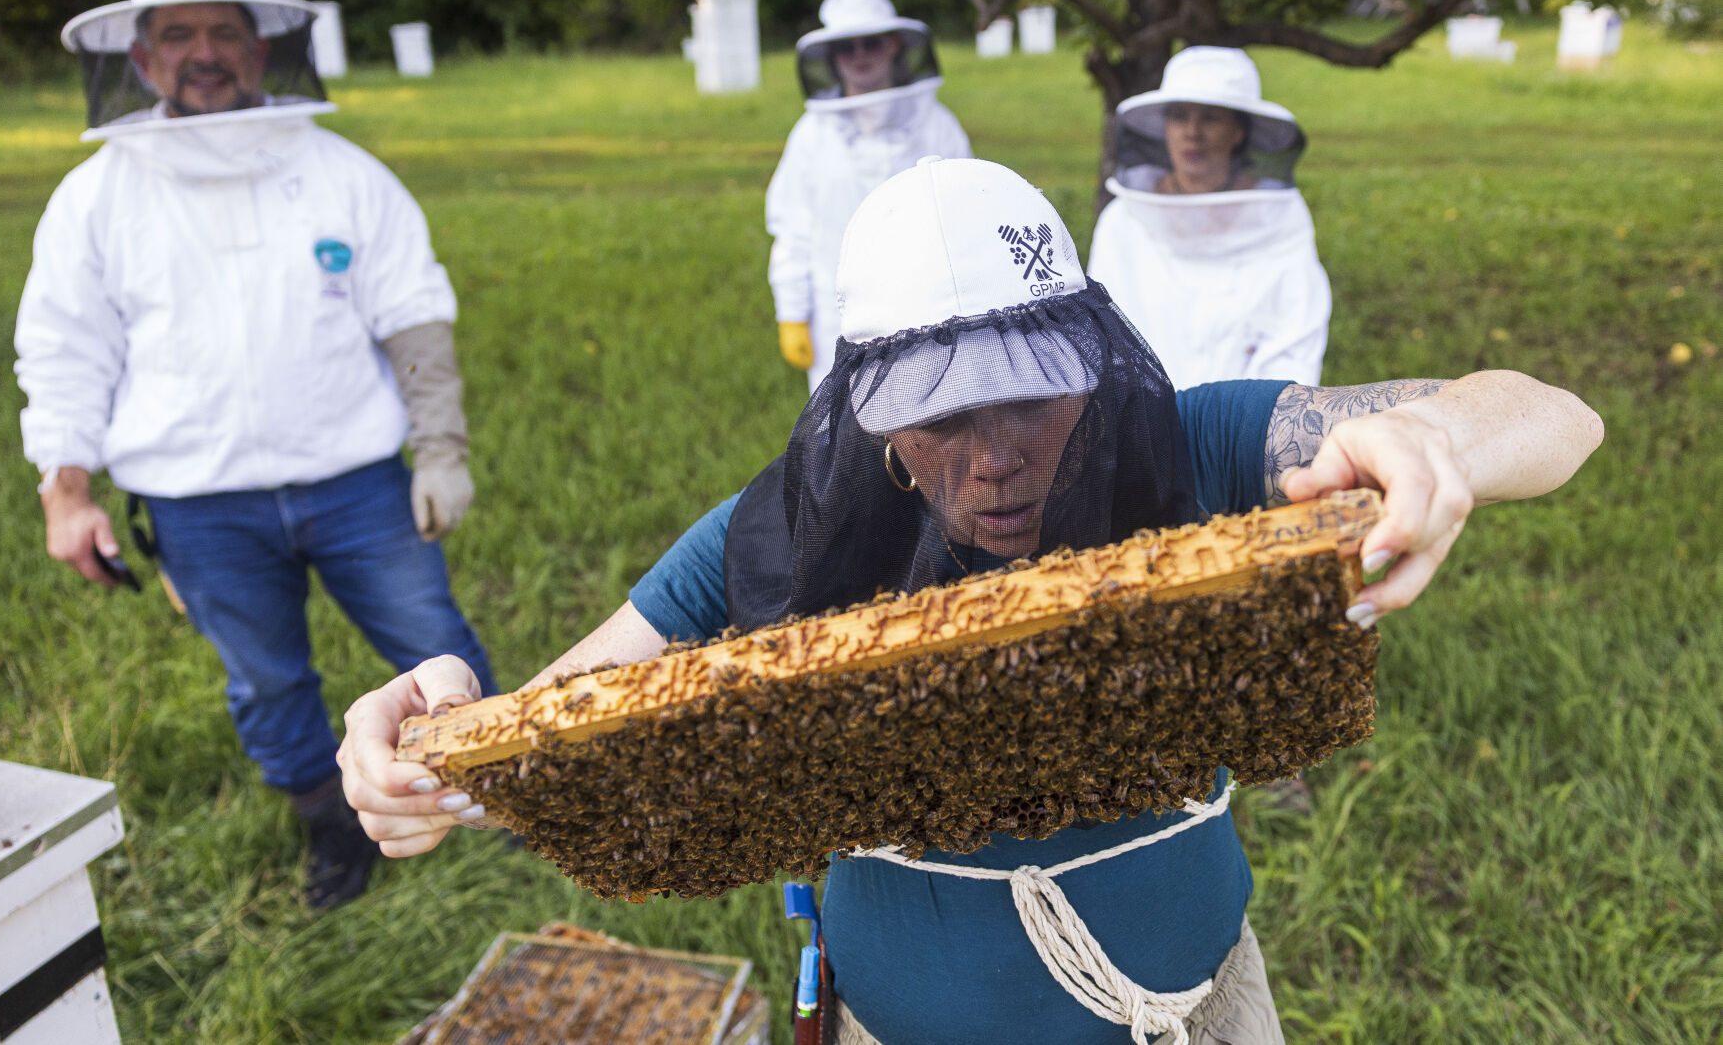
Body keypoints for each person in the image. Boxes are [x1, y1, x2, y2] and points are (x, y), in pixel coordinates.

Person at [339, 159, 1602, 1042]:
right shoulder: (768, 538)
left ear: (1091, 367)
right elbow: (540, 726)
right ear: (875, 415)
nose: (994, 455)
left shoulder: (1200, 450)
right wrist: (427, 741)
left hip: (1194, 1014)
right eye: (944, 414)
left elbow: (1551, 415)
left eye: (1032, 398)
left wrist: (1436, 435)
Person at [14, 0, 500, 910]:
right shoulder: (95, 197)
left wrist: (440, 446)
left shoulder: (342, 173)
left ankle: (492, 790)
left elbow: (413, 314)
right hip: (196, 504)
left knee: (432, 638)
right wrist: (65, 492)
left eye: (224, 32)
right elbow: (65, 347)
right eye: (180, 36)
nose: (205, 54)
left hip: (357, 482)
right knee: (268, 680)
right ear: (144, 61)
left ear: (262, 46)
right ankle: (333, 831)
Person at [1087, 46, 1332, 391]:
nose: (1192, 132)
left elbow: (1293, 341)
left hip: (1242, 431)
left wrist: (1237, 426)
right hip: (1144, 427)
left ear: (1238, 131)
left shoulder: (1278, 218)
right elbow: (1106, 341)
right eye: (1179, 116)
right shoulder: (1123, 221)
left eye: (1210, 118)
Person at [766, 0, 971, 392]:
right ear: (830, 57)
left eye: (871, 42)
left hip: (927, 305)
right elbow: (793, 227)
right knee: (845, 438)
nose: (860, 55)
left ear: (894, 44)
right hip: (836, 311)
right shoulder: (811, 135)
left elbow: (966, 213)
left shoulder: (937, 124)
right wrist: (792, 312)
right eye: (846, 47)